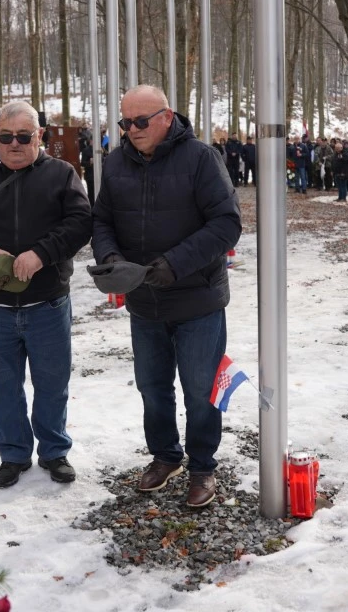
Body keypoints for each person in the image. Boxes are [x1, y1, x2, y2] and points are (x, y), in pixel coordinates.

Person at [90, 85, 242, 508]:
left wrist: (174, 264)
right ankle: (165, 455)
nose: (132, 130)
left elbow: (226, 224)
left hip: (197, 301)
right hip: (144, 301)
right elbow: (101, 220)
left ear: (166, 116)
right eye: (125, 122)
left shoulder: (201, 158)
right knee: (153, 388)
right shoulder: (116, 163)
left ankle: (202, 466)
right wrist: (111, 257)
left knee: (199, 389)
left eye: (140, 121)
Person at [0, 100, 92, 489]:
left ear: (39, 136)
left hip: (49, 303)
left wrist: (41, 254)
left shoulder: (61, 174)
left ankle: (54, 452)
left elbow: (80, 223)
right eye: (5, 137)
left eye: (23, 137)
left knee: (52, 384)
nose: (13, 144)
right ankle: (13, 454)